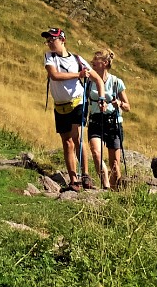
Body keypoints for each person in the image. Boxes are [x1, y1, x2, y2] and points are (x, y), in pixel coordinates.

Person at [43, 28, 103, 190]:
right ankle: (73, 179)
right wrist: (79, 75)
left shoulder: (77, 59)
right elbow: (54, 75)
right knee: (67, 142)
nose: (49, 43)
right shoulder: (49, 57)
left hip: (78, 102)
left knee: (77, 138)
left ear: (62, 40)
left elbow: (97, 78)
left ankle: (86, 175)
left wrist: (102, 97)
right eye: (47, 40)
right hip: (60, 106)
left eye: (52, 40)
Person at [86, 49, 131, 189]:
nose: (92, 62)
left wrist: (120, 103)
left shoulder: (116, 82)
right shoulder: (88, 81)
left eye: (96, 60)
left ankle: (115, 190)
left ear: (105, 63)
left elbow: (128, 106)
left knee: (115, 163)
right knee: (95, 152)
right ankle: (105, 185)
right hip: (95, 120)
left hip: (113, 122)